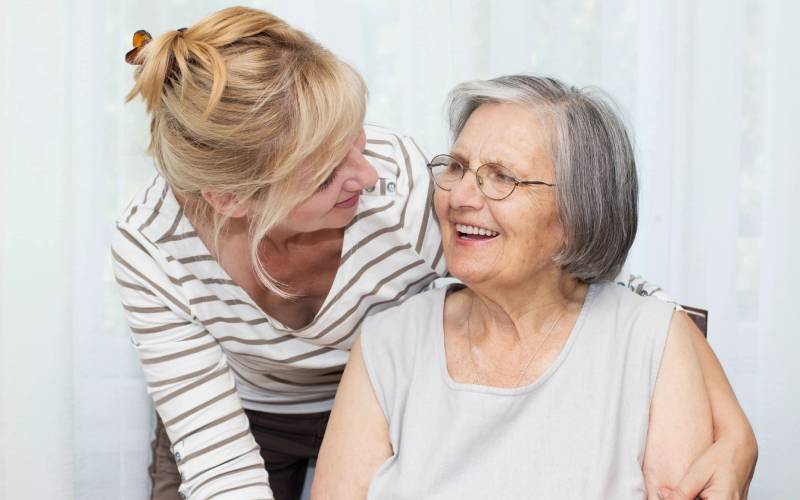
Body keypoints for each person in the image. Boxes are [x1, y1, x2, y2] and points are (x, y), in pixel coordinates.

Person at [113, 7, 755, 500]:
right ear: (233, 200)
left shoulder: (403, 190)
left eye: (355, 141)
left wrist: (734, 429)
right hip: (243, 409)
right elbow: (216, 459)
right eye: (326, 173)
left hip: (376, 400)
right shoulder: (151, 245)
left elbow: (575, 255)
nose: (363, 175)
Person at [312, 75, 755, 499]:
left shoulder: (651, 342)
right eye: (458, 166)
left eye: (503, 177)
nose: (461, 196)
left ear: (579, 210)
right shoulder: (389, 340)